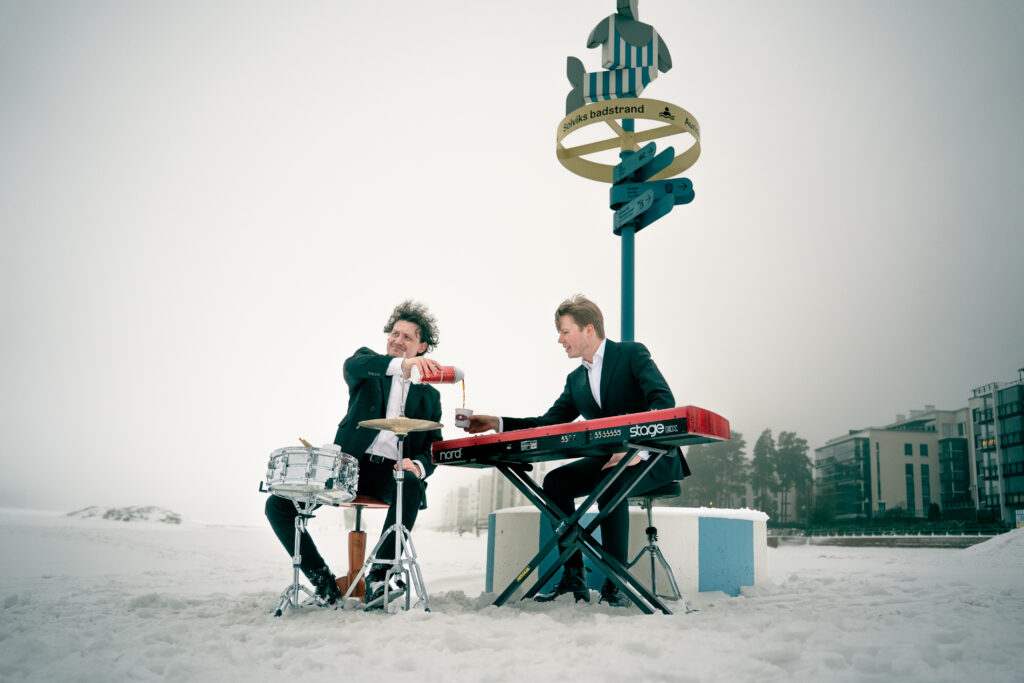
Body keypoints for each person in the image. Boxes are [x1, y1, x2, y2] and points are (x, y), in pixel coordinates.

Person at [464, 294, 687, 607]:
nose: (560, 339)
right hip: (609, 461)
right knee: (556, 483)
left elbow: (663, 402)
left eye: (565, 331)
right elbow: (546, 423)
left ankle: (616, 582)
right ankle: (574, 576)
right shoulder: (575, 380)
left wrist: (637, 449)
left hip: (652, 456)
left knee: (610, 483)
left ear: (589, 329)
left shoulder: (631, 354)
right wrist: (496, 422)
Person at [265, 300, 444, 606]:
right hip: (348, 467)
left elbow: (433, 445)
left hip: (389, 473)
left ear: (422, 346)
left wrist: (418, 464)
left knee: (411, 485)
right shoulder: (368, 364)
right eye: (395, 333)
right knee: (277, 505)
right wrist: (402, 365)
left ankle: (378, 577)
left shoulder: (430, 395)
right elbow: (352, 366)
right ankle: (322, 581)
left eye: (407, 337)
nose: (398, 340)